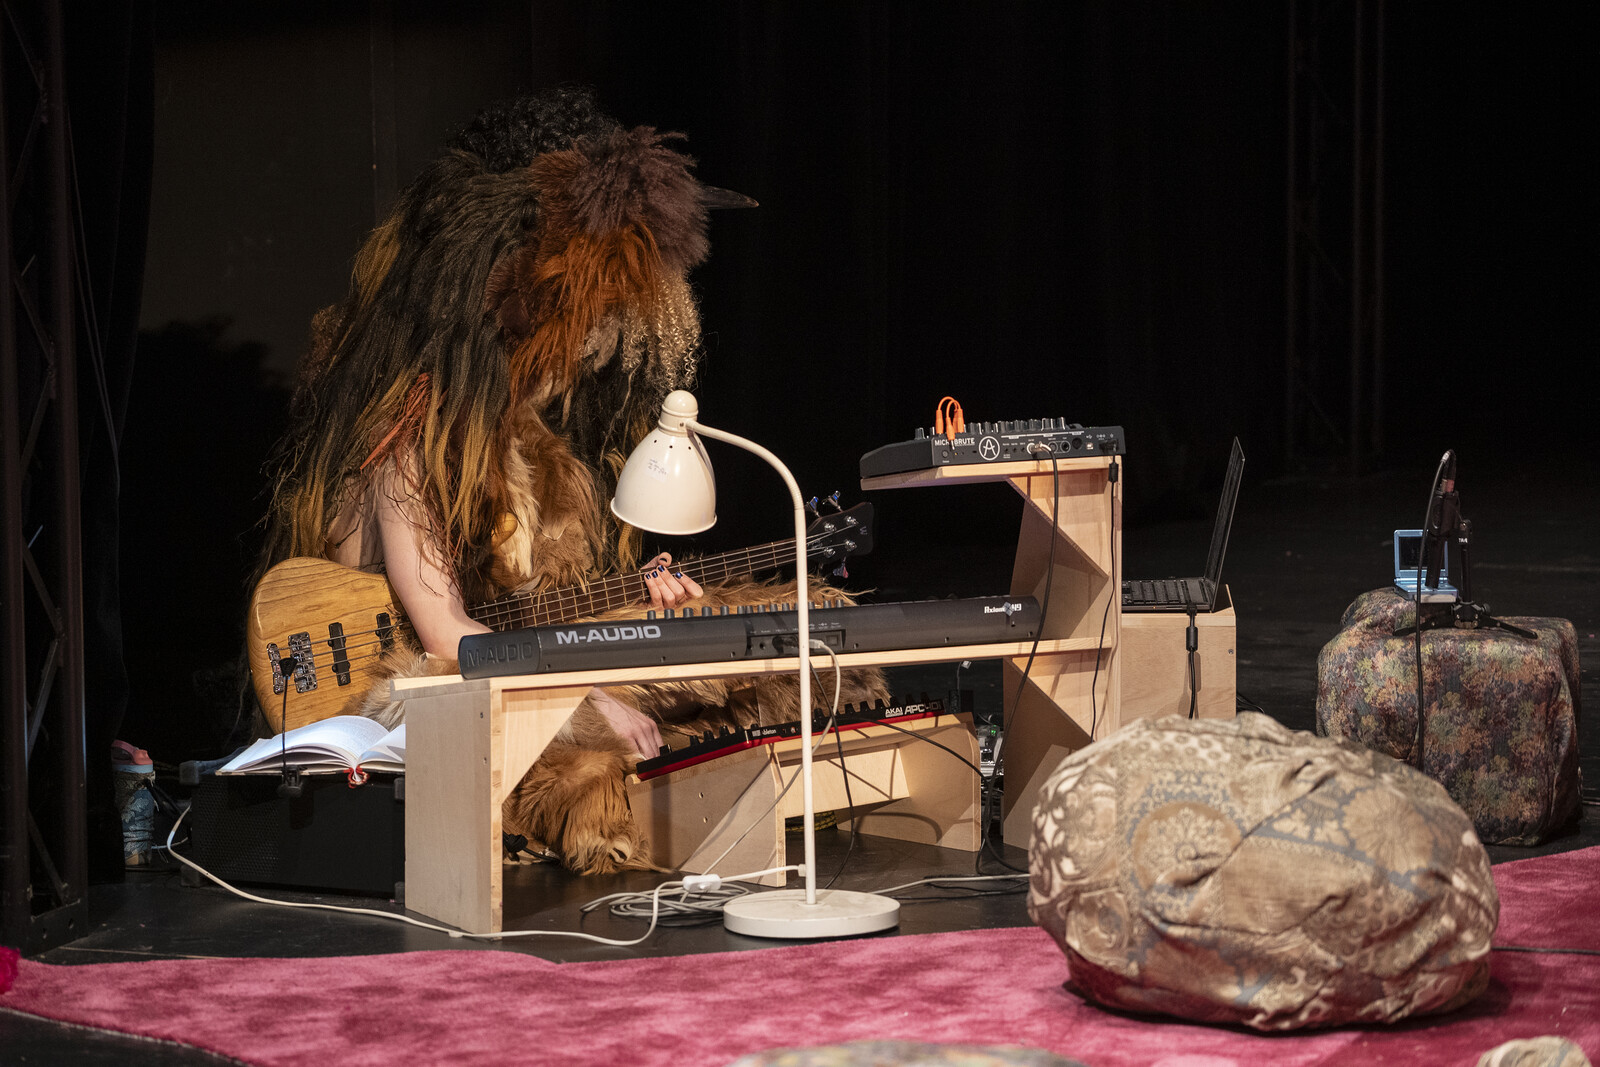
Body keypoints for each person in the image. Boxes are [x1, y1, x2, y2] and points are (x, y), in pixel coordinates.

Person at [255, 89, 884, 872]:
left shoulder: (524, 435)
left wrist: (638, 595)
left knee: (762, 633)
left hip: (502, 651)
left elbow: (529, 602)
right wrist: (586, 698)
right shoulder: (410, 433)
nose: (587, 343)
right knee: (590, 759)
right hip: (416, 690)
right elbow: (448, 638)